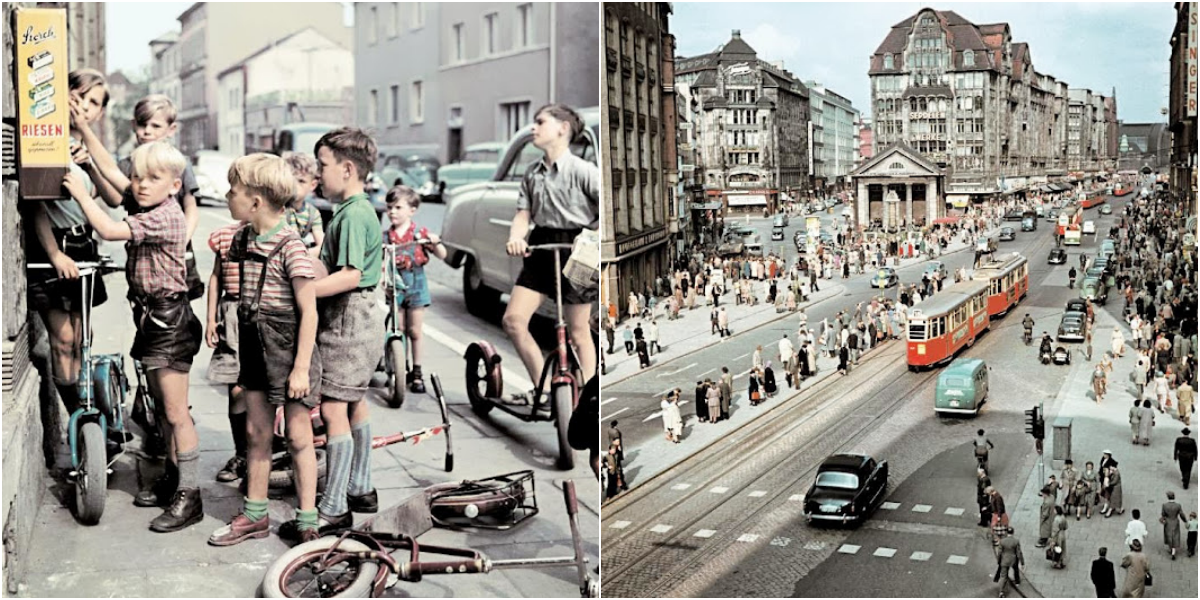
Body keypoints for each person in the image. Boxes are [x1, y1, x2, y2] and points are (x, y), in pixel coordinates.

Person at [64, 141, 203, 532]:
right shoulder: (151, 205)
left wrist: (78, 192)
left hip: (169, 321)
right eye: (138, 176)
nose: (140, 185)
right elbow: (117, 180)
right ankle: (175, 481)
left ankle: (189, 496)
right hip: (153, 318)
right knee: (164, 411)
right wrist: (91, 163)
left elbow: (108, 229)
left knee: (176, 414)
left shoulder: (166, 217)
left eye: (152, 178)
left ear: (175, 185)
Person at [207, 154, 323, 546]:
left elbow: (309, 312)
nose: (226, 196)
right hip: (256, 347)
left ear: (255, 202)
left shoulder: (292, 247)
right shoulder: (242, 238)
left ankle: (308, 520)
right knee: (257, 432)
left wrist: (301, 368)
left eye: (233, 192)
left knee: (297, 436)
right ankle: (255, 515)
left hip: (291, 352)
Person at [304, 128, 388, 536]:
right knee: (354, 401)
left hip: (349, 317)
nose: (319, 174)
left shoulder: (354, 214)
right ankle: (360, 487)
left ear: (348, 168)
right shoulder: (351, 210)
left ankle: (335, 506)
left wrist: (305, 291)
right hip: (358, 317)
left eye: (323, 165)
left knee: (334, 407)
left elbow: (351, 275)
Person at [27, 70, 116, 452]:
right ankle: (82, 422)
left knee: (82, 339)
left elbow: (112, 197)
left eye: (94, 102)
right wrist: (53, 253)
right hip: (54, 248)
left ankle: (91, 421)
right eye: (80, 95)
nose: (85, 106)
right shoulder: (44, 140)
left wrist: (90, 163)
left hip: (83, 247)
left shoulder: (84, 147)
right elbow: (35, 205)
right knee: (63, 340)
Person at [502, 104, 598, 404]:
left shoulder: (584, 171)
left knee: (579, 332)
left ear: (562, 128)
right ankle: (542, 389)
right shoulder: (532, 174)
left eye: (540, 122)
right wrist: (516, 237)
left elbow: (606, 209)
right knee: (514, 320)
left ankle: (586, 398)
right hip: (542, 245)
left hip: (579, 248)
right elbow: (523, 214)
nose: (534, 128)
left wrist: (593, 237)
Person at [382, 186, 447, 394]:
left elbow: (442, 254)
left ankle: (417, 371)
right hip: (396, 285)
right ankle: (401, 368)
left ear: (412, 210)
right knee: (398, 328)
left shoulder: (420, 233)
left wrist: (435, 243)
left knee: (415, 330)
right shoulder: (386, 236)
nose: (393, 212)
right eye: (389, 207)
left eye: (398, 207)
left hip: (417, 283)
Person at [280, 152, 325, 256]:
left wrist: (301, 256)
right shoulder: (278, 208)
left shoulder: (312, 213)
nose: (295, 186)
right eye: (291, 180)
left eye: (301, 181)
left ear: (312, 185)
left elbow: (322, 246)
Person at [994, 526, 1024, 595]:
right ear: (1013, 533)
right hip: (1013, 560)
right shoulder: (1016, 541)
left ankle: (1001, 591)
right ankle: (1017, 582)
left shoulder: (1002, 541)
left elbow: (1000, 553)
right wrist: (1022, 562)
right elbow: (1019, 552)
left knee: (1003, 576)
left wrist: (999, 561)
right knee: (1016, 570)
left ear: (1007, 532)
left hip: (1004, 560)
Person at [1160, 490, 1184, 560]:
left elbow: (1163, 514)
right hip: (1175, 521)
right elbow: (1181, 514)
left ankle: (1171, 548)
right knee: (1175, 536)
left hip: (1168, 522)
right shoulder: (1178, 505)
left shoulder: (1164, 505)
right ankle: (1174, 551)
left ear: (1168, 497)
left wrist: (1163, 519)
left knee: (1169, 536)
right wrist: (1185, 521)